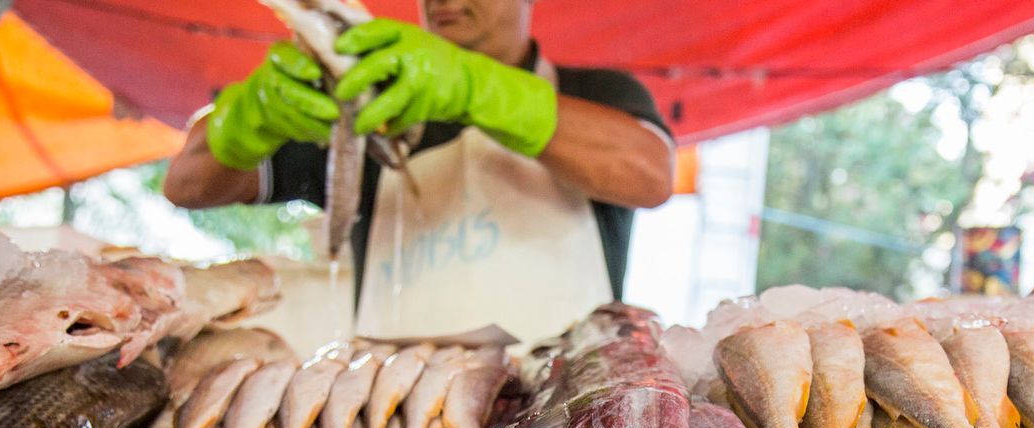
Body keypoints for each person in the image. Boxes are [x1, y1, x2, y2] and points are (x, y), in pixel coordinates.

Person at [164, 1, 676, 342]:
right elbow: (187, 183)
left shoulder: (598, 94)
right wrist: (250, 117)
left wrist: (474, 88)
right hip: (393, 424)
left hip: (560, 422)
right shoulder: (366, 108)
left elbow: (649, 173)